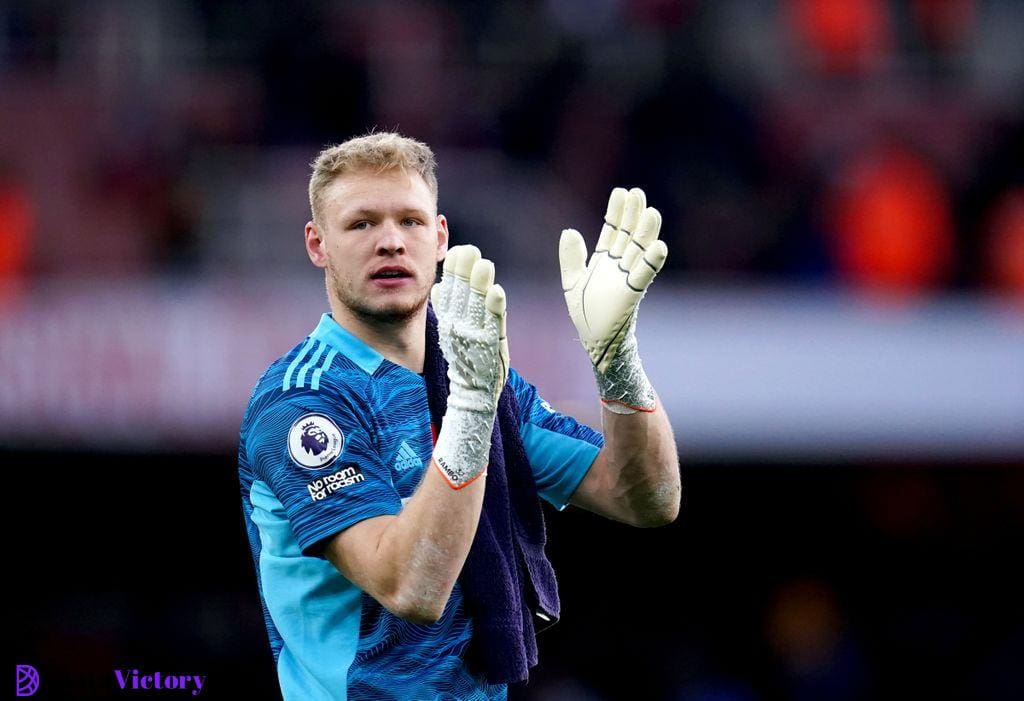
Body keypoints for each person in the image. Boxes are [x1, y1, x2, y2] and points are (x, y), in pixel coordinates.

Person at [237, 132, 680, 700]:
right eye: (361, 224)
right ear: (317, 244)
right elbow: (411, 587)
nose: (391, 242)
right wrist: (471, 406)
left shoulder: (472, 371)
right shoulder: (303, 402)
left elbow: (644, 497)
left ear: (441, 236)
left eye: (411, 221)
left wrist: (616, 360)